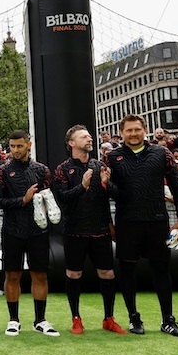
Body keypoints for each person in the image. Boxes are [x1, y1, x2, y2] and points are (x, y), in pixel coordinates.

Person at [105, 114, 178, 337]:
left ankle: (168, 320)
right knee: (127, 271)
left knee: (162, 269)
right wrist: (108, 222)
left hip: (157, 221)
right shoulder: (111, 157)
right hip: (127, 223)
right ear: (121, 133)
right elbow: (105, 192)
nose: (133, 134)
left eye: (137, 129)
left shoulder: (162, 153)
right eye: (129, 130)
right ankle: (134, 318)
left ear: (145, 130)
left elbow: (177, 187)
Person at [52, 125, 125, 335]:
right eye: (84, 137)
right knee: (74, 274)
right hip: (74, 230)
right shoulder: (63, 169)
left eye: (90, 136)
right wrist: (82, 186)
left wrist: (106, 183)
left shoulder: (100, 165)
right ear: (72, 143)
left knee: (108, 274)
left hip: (100, 230)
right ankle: (76, 319)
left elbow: (115, 195)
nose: (89, 139)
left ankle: (108, 318)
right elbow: (63, 199)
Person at [0, 131, 59, 337]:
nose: (15, 150)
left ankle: (40, 320)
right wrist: (23, 200)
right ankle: (13, 320)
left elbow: (50, 198)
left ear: (28, 145)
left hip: (37, 230)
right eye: (12, 146)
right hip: (12, 230)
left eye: (19, 146)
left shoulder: (42, 170)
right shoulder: (2, 172)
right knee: (12, 275)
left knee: (40, 274)